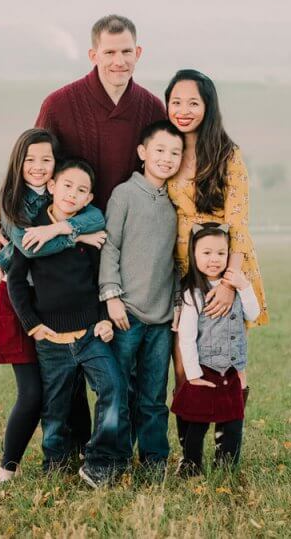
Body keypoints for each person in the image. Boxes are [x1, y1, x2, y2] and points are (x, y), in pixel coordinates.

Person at [0, 129, 108, 483]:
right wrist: (76, 236)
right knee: (33, 392)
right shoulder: (11, 204)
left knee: (69, 384)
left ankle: (77, 451)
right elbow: (28, 247)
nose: (38, 168)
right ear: (18, 163)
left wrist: (62, 229)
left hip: (54, 304)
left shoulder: (59, 195)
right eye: (30, 160)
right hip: (19, 304)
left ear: (56, 169)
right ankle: (7, 468)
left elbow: (96, 218)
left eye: (46, 160)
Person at [6, 159, 129, 489]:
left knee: (113, 387)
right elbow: (15, 282)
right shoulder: (30, 231)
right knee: (55, 408)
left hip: (90, 333)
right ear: (52, 187)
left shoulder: (90, 233)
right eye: (67, 186)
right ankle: (55, 462)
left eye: (82, 190)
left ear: (89, 199)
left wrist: (105, 320)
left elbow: (102, 279)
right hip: (51, 340)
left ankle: (99, 459)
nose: (73, 194)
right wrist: (32, 325)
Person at [164, 69, 269, 444]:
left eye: (193, 102)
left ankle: (228, 445)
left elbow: (238, 221)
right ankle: (188, 454)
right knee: (184, 361)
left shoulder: (227, 154)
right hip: (181, 272)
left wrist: (229, 283)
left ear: (208, 107)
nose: (184, 110)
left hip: (225, 267)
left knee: (228, 360)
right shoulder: (167, 150)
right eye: (176, 102)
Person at [99, 120, 184, 472]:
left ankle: (154, 462)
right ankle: (109, 460)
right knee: (118, 392)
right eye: (160, 150)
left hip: (162, 318)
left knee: (153, 396)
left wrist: (178, 303)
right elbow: (110, 245)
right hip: (126, 312)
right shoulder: (124, 194)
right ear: (142, 153)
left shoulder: (176, 204)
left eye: (175, 152)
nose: (167, 158)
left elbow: (177, 260)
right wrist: (111, 295)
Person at [35, 15, 166, 211]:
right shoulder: (57, 105)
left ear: (138, 53)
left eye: (126, 51)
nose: (119, 61)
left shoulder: (154, 109)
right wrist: (3, 216)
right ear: (93, 55)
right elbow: (32, 166)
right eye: (110, 52)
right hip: (72, 230)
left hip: (132, 231)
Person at [171, 222, 261, 475]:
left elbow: (252, 313)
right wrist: (193, 375)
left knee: (232, 419)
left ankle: (226, 466)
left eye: (221, 253)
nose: (214, 259)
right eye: (207, 253)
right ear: (194, 255)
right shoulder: (193, 293)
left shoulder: (234, 288)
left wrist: (243, 286)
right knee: (197, 422)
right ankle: (191, 464)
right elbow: (186, 337)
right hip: (204, 368)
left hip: (231, 368)